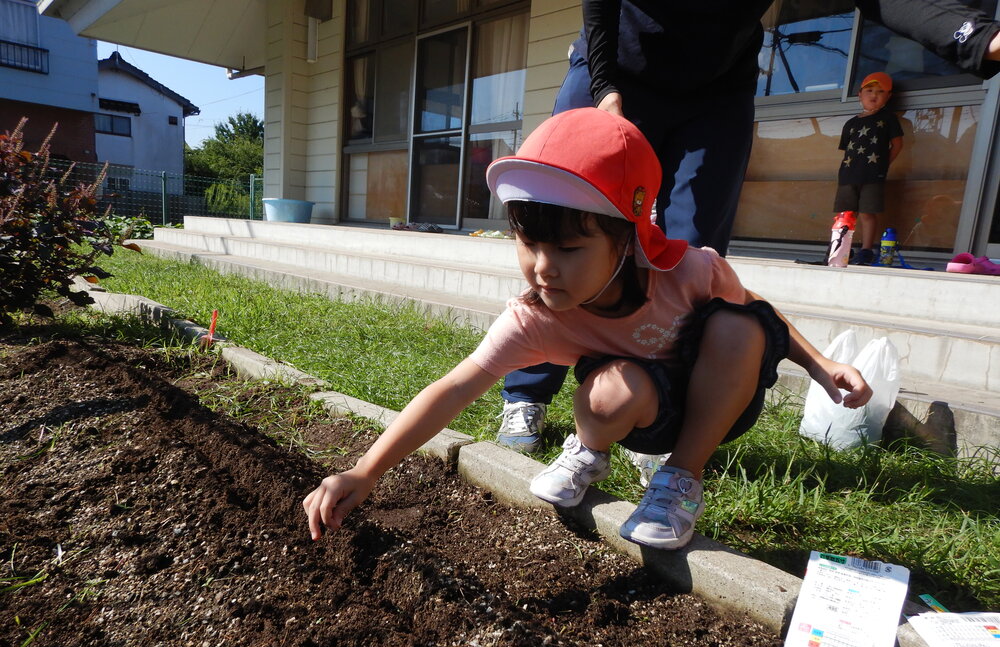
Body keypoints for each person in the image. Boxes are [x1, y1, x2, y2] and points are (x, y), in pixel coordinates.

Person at [303, 108, 872, 552]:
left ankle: (679, 481)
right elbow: (455, 387)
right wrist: (365, 469)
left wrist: (822, 366)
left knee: (740, 326)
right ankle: (589, 450)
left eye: (570, 248)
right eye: (529, 244)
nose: (545, 268)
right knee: (610, 390)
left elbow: (761, 313)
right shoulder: (539, 316)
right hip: (641, 412)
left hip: (717, 403)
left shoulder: (689, 272)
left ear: (627, 239)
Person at [497, 0, 1000, 457]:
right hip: (616, 63)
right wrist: (605, 88)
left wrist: (976, 36)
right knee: (562, 228)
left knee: (694, 252)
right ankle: (527, 392)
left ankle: (662, 423)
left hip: (716, 86)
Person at [833, 72, 904, 265]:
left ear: (888, 97)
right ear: (860, 94)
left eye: (881, 91)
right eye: (869, 90)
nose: (874, 94)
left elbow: (897, 145)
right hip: (848, 175)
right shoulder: (851, 123)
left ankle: (866, 250)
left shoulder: (888, 119)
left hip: (873, 176)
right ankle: (840, 248)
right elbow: (846, 150)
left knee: (867, 212)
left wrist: (884, 165)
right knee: (845, 214)